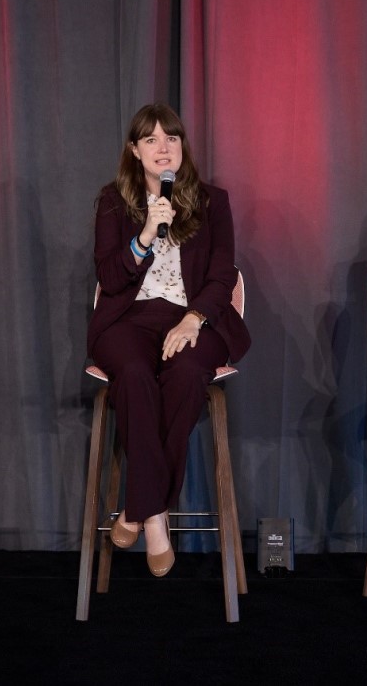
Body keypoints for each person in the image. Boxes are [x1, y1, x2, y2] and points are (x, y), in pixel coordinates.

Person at [87, 103, 250, 577]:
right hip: (127, 319)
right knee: (135, 375)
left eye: (172, 139)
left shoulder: (212, 201)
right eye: (152, 140)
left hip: (194, 318)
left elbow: (222, 276)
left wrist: (194, 319)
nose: (164, 148)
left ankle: (136, 509)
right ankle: (155, 517)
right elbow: (110, 278)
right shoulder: (114, 201)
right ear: (135, 151)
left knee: (184, 375)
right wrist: (144, 233)